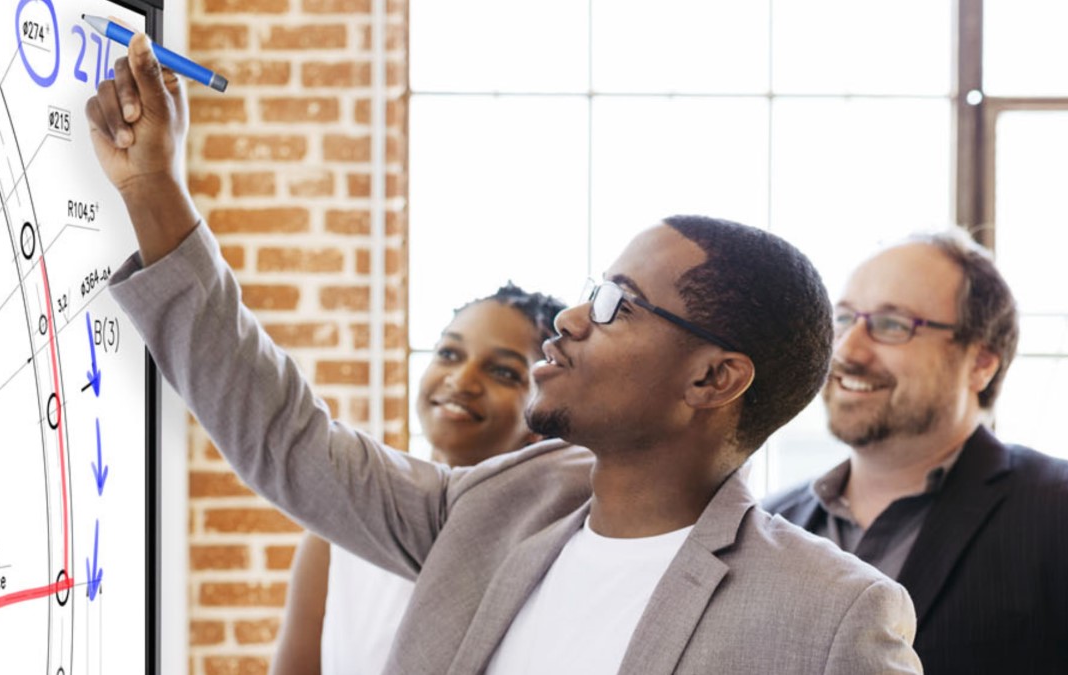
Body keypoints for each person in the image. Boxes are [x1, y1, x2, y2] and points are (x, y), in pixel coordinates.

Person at [88, 36, 923, 673]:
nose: (568, 318)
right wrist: (152, 188)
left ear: (713, 377)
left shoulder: (831, 616)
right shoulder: (495, 508)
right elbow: (287, 439)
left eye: (613, 304)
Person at [762, 228, 1068, 674]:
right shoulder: (768, 524)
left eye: (892, 325)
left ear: (980, 364)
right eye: (842, 319)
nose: (847, 350)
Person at [272, 283, 565, 675]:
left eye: (503, 371)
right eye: (449, 353)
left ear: (542, 412)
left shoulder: (548, 549)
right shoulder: (340, 531)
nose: (461, 381)